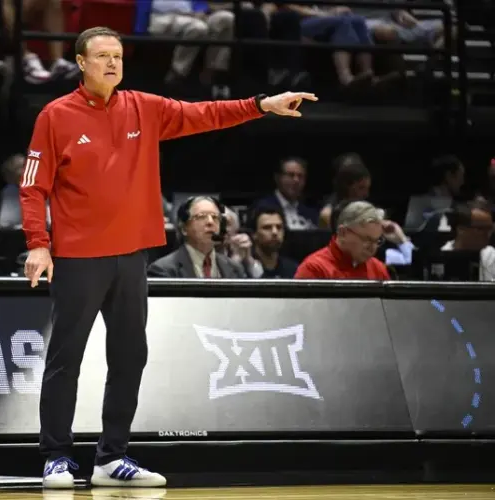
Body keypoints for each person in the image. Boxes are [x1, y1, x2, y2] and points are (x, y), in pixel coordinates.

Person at [18, 26, 317, 489]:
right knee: (65, 359)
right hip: (78, 258)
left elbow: (206, 113)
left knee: (130, 357)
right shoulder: (55, 116)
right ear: (80, 62)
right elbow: (32, 186)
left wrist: (261, 105)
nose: (112, 63)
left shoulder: (144, 107)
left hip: (131, 257)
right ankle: (56, 456)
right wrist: (38, 242)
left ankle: (111, 458)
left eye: (118, 56)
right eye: (102, 56)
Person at [294, 200, 391, 280]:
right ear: (343, 232)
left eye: (377, 241)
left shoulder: (378, 269)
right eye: (366, 239)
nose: (373, 248)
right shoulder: (314, 269)